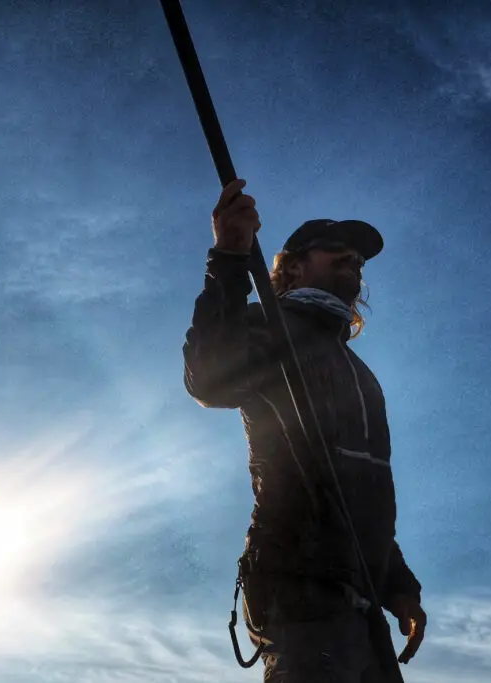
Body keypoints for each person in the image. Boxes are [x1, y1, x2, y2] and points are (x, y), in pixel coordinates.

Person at [182, 179, 427, 682]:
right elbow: (209, 378)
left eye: (358, 256)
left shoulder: (359, 373)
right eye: (335, 248)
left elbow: (363, 485)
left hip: (360, 599)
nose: (353, 258)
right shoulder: (267, 327)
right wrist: (229, 255)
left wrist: (397, 584)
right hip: (298, 584)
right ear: (292, 266)